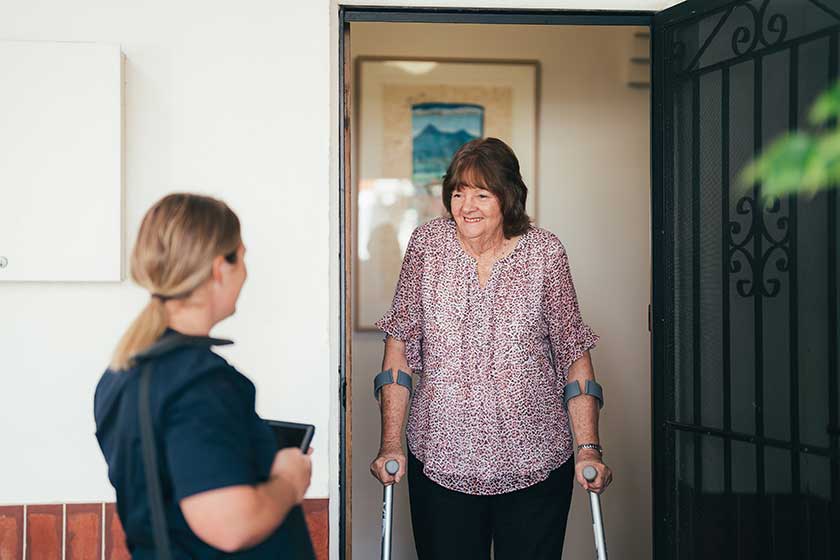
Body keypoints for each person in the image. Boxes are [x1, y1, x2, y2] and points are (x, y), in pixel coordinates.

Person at [370, 138, 613, 559]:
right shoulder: (427, 246)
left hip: (535, 457)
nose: (467, 206)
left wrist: (588, 447)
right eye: (458, 192)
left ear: (508, 197)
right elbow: (400, 348)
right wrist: (391, 443)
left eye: (482, 193)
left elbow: (574, 354)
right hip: (441, 457)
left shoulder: (545, 252)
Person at [94, 193, 313, 558]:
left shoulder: (122, 373)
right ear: (219, 268)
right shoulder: (202, 384)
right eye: (241, 258)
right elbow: (231, 525)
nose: (245, 273)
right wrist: (289, 480)